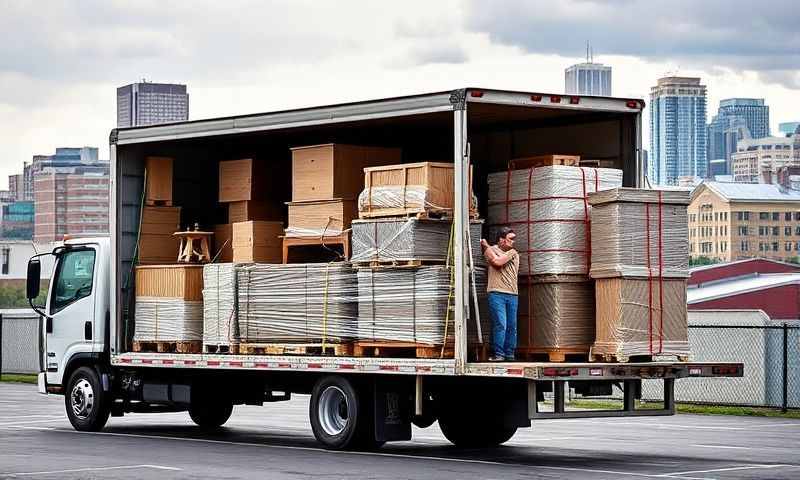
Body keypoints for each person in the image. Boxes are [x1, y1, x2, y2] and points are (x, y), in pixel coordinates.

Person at [480, 227, 520, 362]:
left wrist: (486, 246)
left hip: (512, 294)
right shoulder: (491, 250)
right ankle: (499, 354)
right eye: (511, 239)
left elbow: (497, 262)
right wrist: (487, 247)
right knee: (500, 324)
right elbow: (495, 262)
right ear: (502, 240)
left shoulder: (513, 252)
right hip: (496, 293)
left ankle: (509, 354)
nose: (513, 242)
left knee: (511, 326)